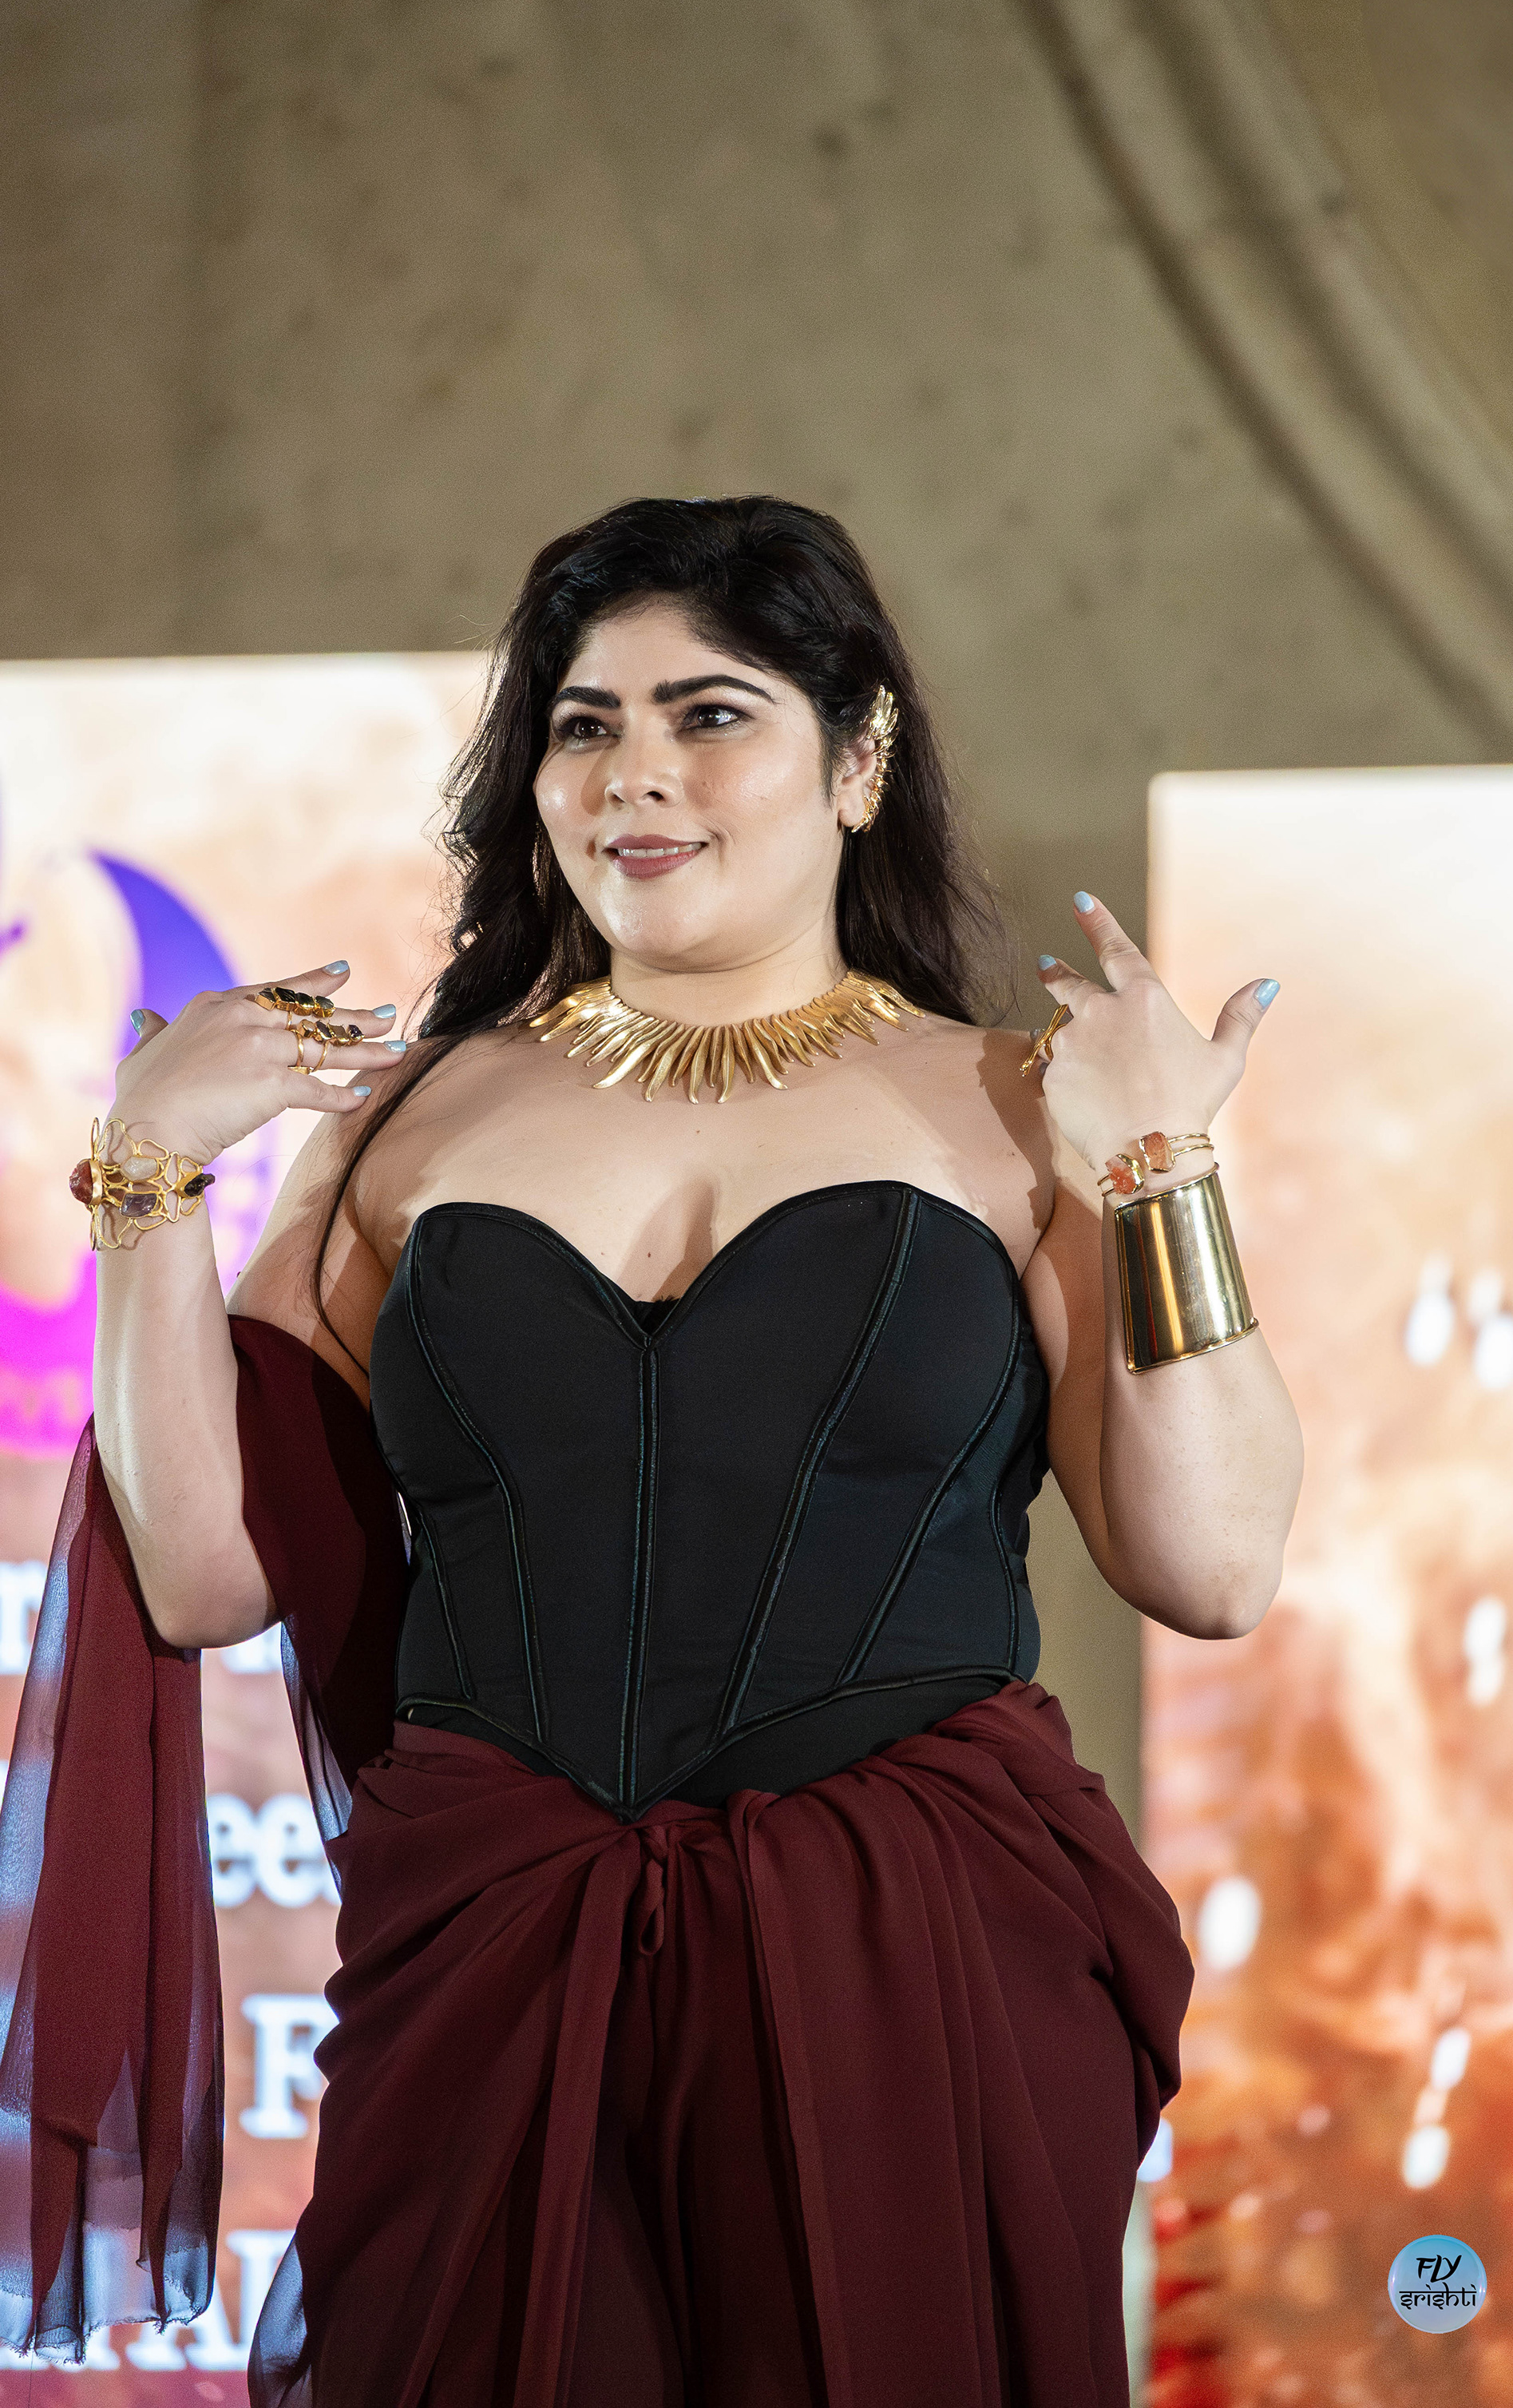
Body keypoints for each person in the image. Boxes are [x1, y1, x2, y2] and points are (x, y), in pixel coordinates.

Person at [10, 498, 1301, 2404]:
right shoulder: (403, 1127)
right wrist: (147, 1174)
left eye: (710, 715)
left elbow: (1214, 1565)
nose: (636, 774)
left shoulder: (1028, 1109)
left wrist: (1164, 1168)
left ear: (857, 758)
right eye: (584, 724)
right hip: (499, 1952)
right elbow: (204, 1574)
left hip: (913, 1949)